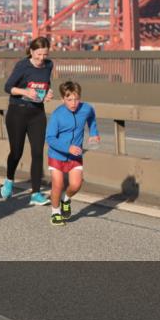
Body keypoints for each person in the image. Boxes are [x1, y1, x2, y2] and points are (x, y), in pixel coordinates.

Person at [1, 36, 54, 205]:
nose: (41, 58)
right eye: (38, 54)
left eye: (44, 55)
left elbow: (45, 83)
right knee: (16, 152)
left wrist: (47, 94)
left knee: (38, 153)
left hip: (37, 114)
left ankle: (36, 193)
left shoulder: (49, 65)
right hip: (18, 112)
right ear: (31, 51)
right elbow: (8, 87)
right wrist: (25, 92)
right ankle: (9, 179)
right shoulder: (23, 65)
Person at [45, 81, 99, 226]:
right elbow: (49, 138)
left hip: (75, 156)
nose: (73, 103)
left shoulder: (86, 109)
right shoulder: (58, 115)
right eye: (69, 99)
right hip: (57, 155)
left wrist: (94, 133)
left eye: (76, 98)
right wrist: (67, 147)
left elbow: (92, 117)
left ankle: (66, 199)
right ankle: (55, 213)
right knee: (58, 183)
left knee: (76, 185)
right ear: (63, 99)